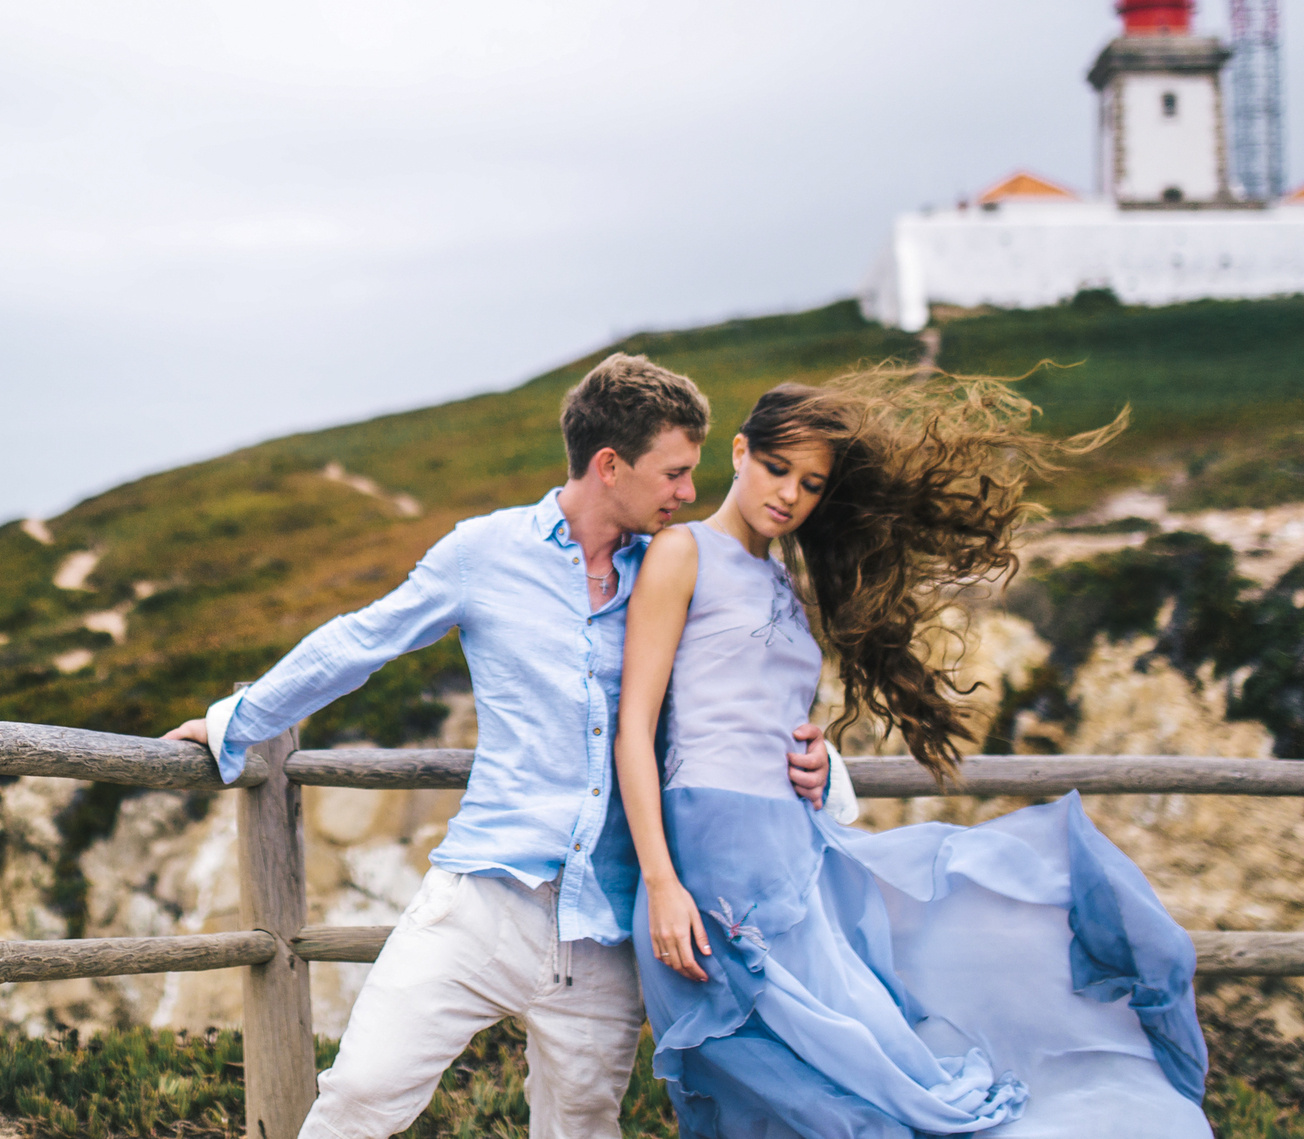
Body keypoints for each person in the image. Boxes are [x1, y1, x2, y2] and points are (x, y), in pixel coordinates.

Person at [163, 353, 829, 1139]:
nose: (690, 493)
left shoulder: (675, 568)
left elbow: (736, 695)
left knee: (580, 1130)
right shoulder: (484, 551)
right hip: (484, 897)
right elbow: (362, 640)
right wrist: (236, 721)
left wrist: (821, 760)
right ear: (610, 465)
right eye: (675, 473)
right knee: (361, 1096)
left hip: (610, 928)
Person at [617, 369, 1211, 1139]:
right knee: (796, 1098)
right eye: (777, 468)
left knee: (872, 1087)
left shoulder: (789, 587)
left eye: (812, 484)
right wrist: (662, 882)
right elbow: (637, 726)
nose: (791, 494)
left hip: (794, 861)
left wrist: (823, 762)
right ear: (738, 451)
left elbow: (766, 714)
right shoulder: (680, 551)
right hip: (706, 864)